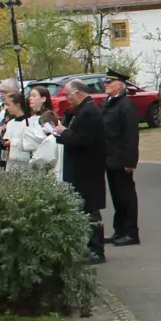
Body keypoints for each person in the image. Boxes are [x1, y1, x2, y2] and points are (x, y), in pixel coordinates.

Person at [52, 80, 108, 262]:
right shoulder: (80, 111)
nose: (66, 98)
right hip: (80, 167)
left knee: (90, 209)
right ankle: (88, 247)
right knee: (83, 209)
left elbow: (82, 140)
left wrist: (63, 132)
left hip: (88, 169)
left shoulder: (89, 112)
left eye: (68, 94)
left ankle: (96, 250)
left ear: (78, 93)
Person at [102, 70, 142, 246]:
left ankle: (132, 233)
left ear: (119, 85)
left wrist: (130, 161)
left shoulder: (125, 105)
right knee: (117, 197)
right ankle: (119, 231)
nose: (105, 85)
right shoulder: (108, 103)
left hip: (121, 158)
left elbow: (131, 136)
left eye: (109, 82)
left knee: (126, 196)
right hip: (109, 157)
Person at [0, 92, 32, 169]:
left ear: (17, 105)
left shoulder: (29, 123)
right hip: (11, 162)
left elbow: (29, 142)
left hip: (24, 162)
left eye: (8, 104)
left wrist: (12, 142)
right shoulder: (10, 123)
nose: (6, 108)